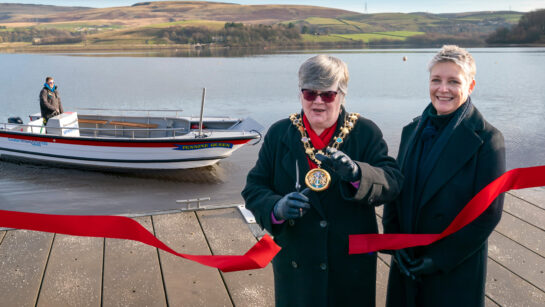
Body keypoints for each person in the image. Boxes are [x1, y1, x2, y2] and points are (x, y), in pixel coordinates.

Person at [242, 55, 403, 306]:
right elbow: (254, 187)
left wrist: (358, 174)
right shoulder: (279, 133)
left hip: (350, 263)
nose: (317, 101)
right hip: (297, 261)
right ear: (300, 94)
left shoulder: (365, 132)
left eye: (327, 95)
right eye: (309, 93)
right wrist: (276, 208)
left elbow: (393, 181)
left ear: (341, 95)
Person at [382, 45, 506, 307]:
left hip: (453, 264)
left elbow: (489, 213)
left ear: (470, 85)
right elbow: (396, 188)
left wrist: (440, 259)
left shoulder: (488, 139)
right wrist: (395, 242)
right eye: (436, 80)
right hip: (407, 259)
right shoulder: (411, 130)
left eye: (453, 81)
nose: (443, 89)